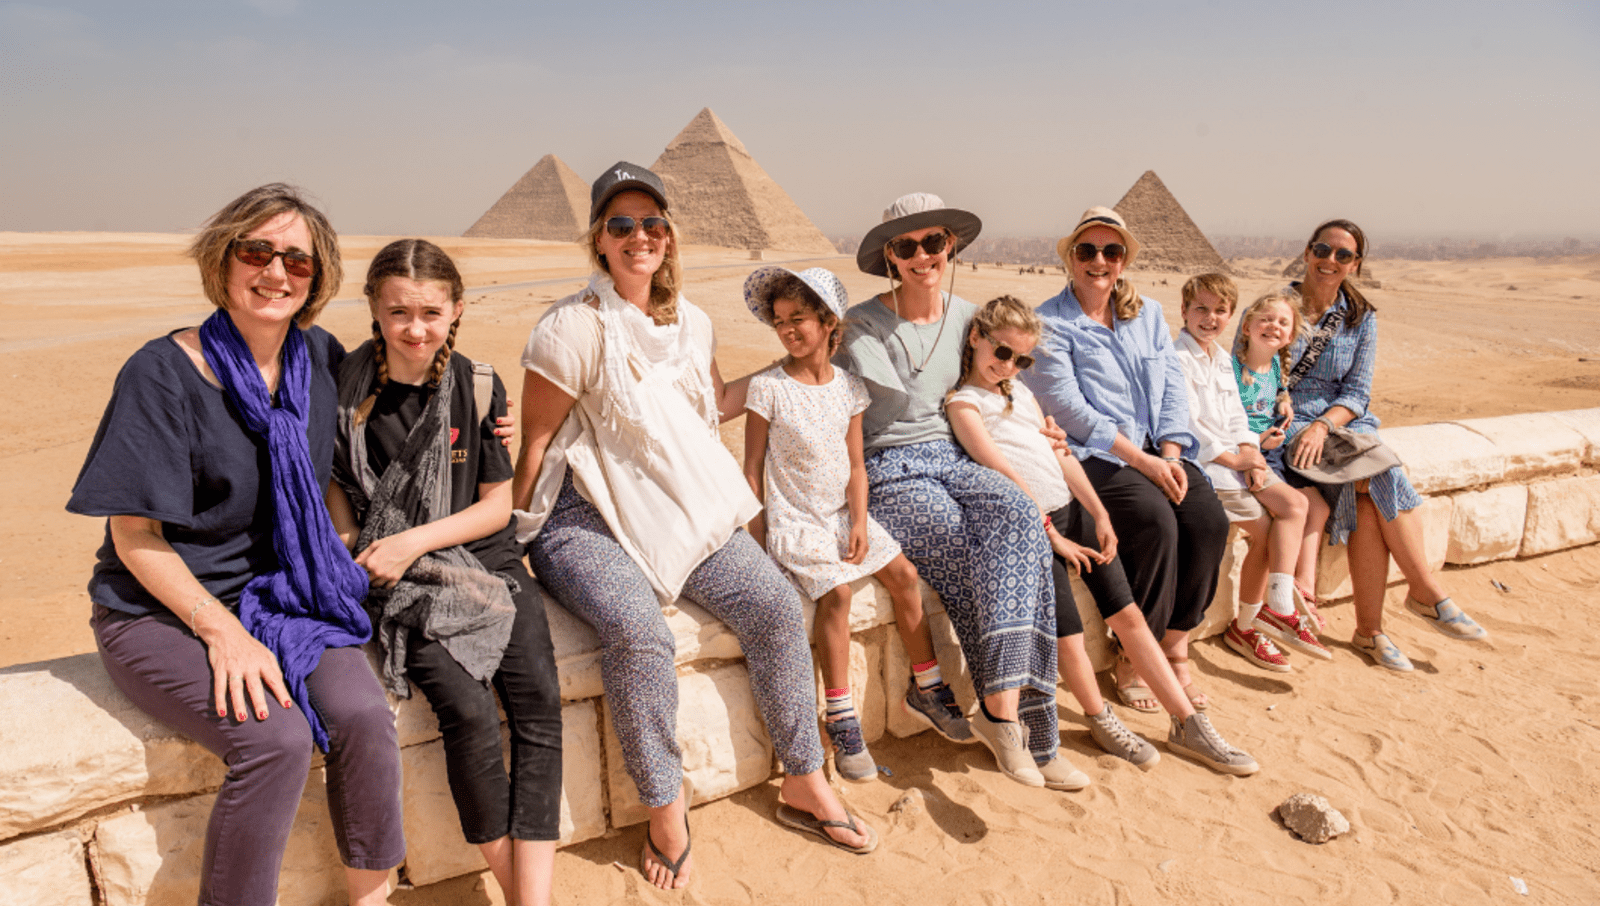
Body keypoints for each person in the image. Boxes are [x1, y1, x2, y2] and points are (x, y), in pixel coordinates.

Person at [512, 162, 877, 891]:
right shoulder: (572, 327)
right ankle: (664, 805)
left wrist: (797, 369)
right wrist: (511, 545)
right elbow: (536, 445)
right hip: (582, 516)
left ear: (669, 237)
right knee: (638, 632)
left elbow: (705, 407)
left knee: (774, 604)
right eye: (621, 225)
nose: (638, 236)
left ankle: (804, 774)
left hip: (674, 502)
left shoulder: (694, 323)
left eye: (651, 224)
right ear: (600, 240)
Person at [66, 184, 404, 906]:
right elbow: (134, 536)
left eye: (297, 261)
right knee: (275, 741)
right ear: (222, 261)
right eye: (257, 252)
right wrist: (221, 633)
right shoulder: (162, 374)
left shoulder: (318, 357)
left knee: (366, 718)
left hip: (283, 598)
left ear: (319, 279)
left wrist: (490, 419)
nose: (276, 273)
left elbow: (399, 410)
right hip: (159, 611)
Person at [326, 239, 562, 906]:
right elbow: (337, 500)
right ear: (374, 307)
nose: (415, 329)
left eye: (431, 311)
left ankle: (531, 898)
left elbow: (497, 506)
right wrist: (377, 554)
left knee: (539, 703)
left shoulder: (479, 385)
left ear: (456, 308)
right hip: (401, 582)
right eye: (398, 311)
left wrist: (410, 542)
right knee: (465, 711)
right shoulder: (341, 395)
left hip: (482, 560)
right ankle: (523, 893)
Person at [950, 296, 1257, 775]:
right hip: (1035, 529)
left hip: (1074, 513)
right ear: (975, 337)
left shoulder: (1021, 392)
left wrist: (1099, 513)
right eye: (1002, 352)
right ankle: (1099, 718)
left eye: (1022, 359)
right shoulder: (964, 404)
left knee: (1130, 614)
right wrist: (1053, 534)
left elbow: (1063, 457)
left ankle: (1188, 722)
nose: (1008, 365)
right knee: (1069, 633)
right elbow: (1004, 472)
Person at [837, 193, 1081, 791]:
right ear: (889, 257)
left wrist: (1039, 424)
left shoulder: (972, 318)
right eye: (907, 246)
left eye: (934, 242)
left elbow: (1000, 381)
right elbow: (860, 393)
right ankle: (1027, 730)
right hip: (894, 465)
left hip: (953, 455)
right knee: (963, 547)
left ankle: (1014, 723)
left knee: (1022, 518)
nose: (923, 256)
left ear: (953, 247)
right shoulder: (864, 324)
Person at [1023, 207, 1254, 768]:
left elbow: (1172, 388)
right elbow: (1069, 410)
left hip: (1157, 448)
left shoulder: (1147, 314)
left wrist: (1171, 454)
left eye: (1111, 252)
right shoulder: (1050, 323)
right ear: (1069, 257)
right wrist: (1145, 464)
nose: (1100, 262)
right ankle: (1132, 656)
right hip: (1096, 456)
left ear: (1124, 259)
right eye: (1087, 251)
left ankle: (1176, 642)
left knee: (1206, 520)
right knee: (1153, 521)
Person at [740, 265, 966, 782]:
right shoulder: (768, 388)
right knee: (838, 594)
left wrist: (861, 521)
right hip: (796, 520)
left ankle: (927, 687)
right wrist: (758, 544)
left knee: (905, 575)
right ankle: (841, 719)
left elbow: (857, 465)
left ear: (827, 322)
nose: (789, 330)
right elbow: (751, 471)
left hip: (844, 515)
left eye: (799, 318)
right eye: (779, 322)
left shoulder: (849, 388)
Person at [1280, 219, 1488, 670]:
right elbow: (1255, 378)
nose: (1329, 260)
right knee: (1379, 475)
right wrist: (1306, 426)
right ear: (1306, 251)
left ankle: (1372, 630)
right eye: (1322, 249)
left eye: (1343, 255)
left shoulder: (1361, 318)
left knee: (1370, 495)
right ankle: (1421, 594)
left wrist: (1325, 426)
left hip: (1341, 424)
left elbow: (1356, 392)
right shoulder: (1277, 307)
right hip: (1291, 422)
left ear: (1355, 264)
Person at [1218, 284, 1332, 664]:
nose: (1274, 326)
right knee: (1296, 504)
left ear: (1292, 335)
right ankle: (1279, 606)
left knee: (1303, 510)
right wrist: (1256, 443)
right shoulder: (1230, 369)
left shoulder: (1275, 375)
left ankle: (1251, 624)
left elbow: (1268, 407)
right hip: (1237, 459)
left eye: (1283, 322)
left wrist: (1282, 412)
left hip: (1263, 456)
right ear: (1247, 325)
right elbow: (1225, 422)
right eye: (1266, 319)